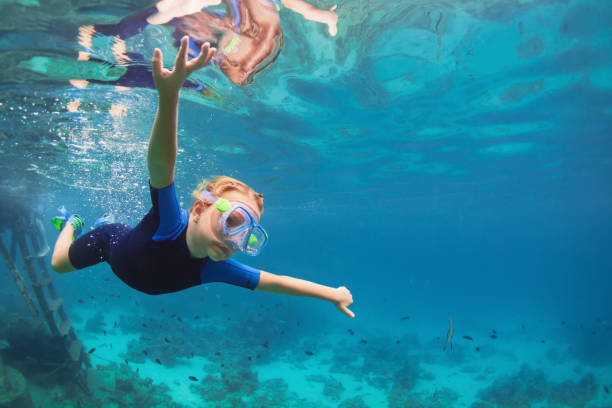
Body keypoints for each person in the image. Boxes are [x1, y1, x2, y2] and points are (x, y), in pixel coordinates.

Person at [50, 36, 355, 318]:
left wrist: (332, 294)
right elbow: (161, 166)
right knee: (59, 265)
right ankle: (73, 223)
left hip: (132, 258)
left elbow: (275, 282)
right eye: (232, 221)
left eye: (246, 236)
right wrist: (169, 97)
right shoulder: (171, 224)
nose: (234, 241)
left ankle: (98, 221)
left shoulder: (214, 268)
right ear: (198, 209)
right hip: (110, 245)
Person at [76, 0, 338, 87]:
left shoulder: (254, 21)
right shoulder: (256, 19)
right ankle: (95, 32)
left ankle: (117, 39)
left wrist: (327, 17)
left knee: (171, 17)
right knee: (163, 14)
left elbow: (305, 9)